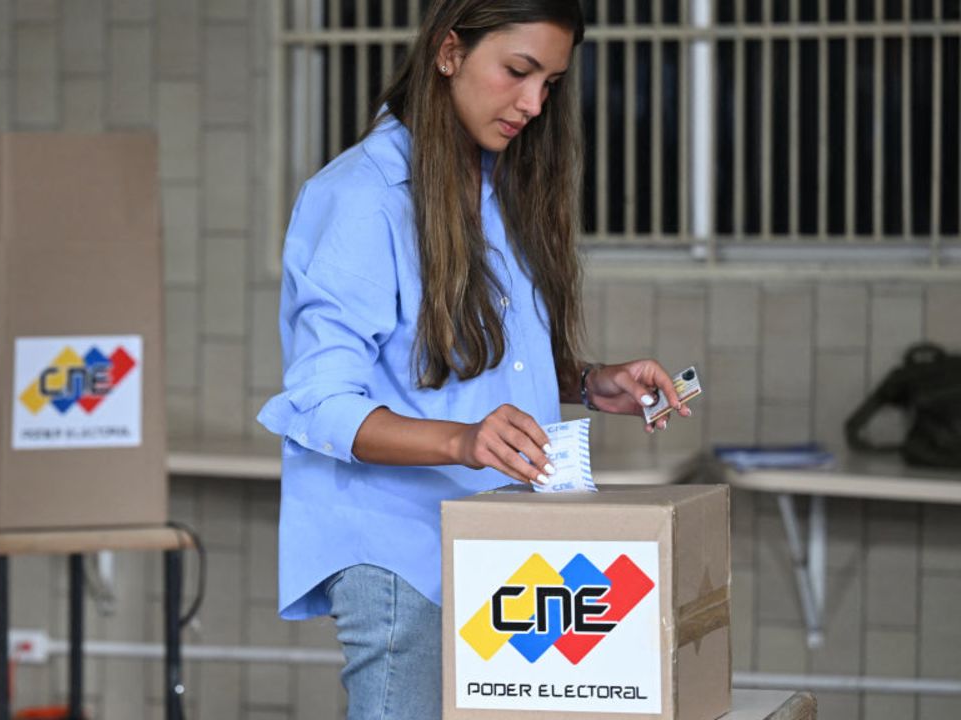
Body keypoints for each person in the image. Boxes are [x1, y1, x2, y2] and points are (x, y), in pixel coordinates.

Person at [257, 1, 691, 717]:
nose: (532, 104)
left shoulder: (497, 185)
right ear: (449, 52)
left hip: (502, 548)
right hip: (405, 556)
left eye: (549, 83)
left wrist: (588, 380)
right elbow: (319, 402)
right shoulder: (360, 197)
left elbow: (466, 361)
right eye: (517, 71)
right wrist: (464, 441)